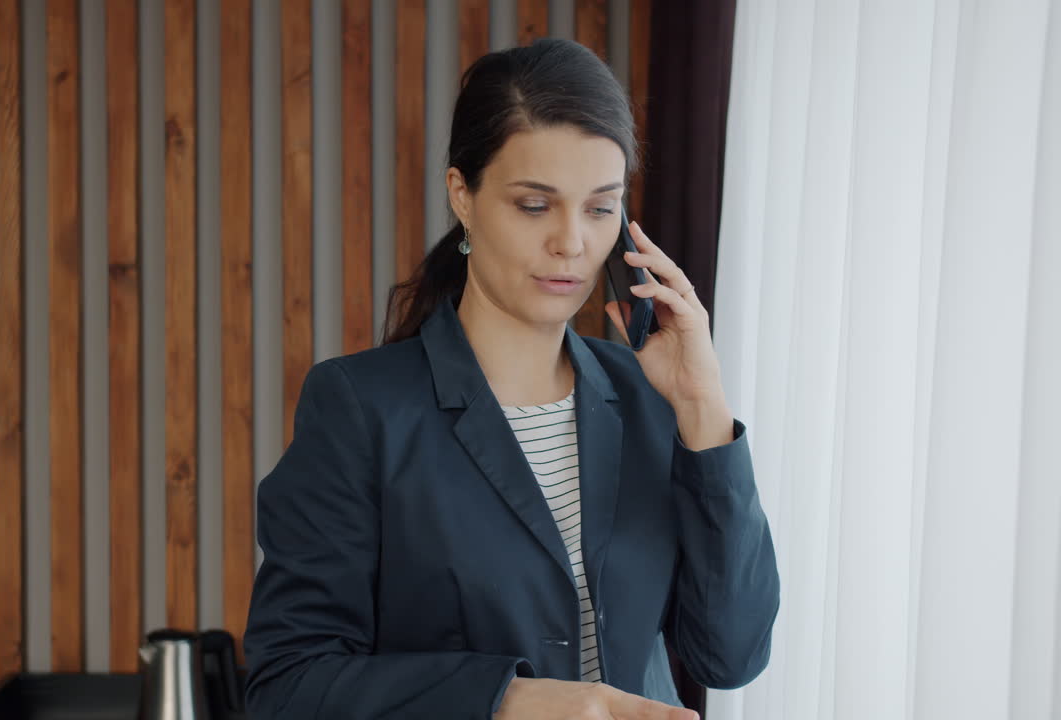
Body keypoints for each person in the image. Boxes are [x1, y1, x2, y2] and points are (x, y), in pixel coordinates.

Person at [242, 38, 779, 720]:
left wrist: (704, 409)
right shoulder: (361, 408)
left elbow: (731, 655)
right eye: (535, 205)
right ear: (462, 195)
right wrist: (509, 701)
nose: (572, 243)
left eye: (599, 207)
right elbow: (289, 686)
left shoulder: (651, 398)